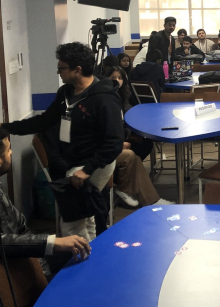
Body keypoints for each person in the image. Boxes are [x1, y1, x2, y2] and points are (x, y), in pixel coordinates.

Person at [1, 42, 123, 241]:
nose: (58, 72)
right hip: (74, 162)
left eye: (61, 68)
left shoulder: (104, 99)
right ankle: (92, 258)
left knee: (71, 225)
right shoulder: (66, 93)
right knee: (85, 218)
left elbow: (115, 142)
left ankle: (79, 263)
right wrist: (6, 128)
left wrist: (86, 170)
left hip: (95, 163)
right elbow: (44, 121)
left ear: (77, 70)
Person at [0, 127, 92, 279]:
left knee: (82, 252)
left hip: (25, 254)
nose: (11, 153)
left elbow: (20, 228)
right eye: (9, 149)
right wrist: (51, 243)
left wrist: (44, 252)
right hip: (13, 268)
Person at [105, 67, 173, 207]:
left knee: (144, 144)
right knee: (133, 155)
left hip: (118, 139)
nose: (117, 81)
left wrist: (127, 137)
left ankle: (126, 187)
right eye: (113, 78)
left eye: (120, 78)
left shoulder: (123, 97)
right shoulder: (105, 100)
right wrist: (120, 143)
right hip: (107, 145)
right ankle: (147, 198)